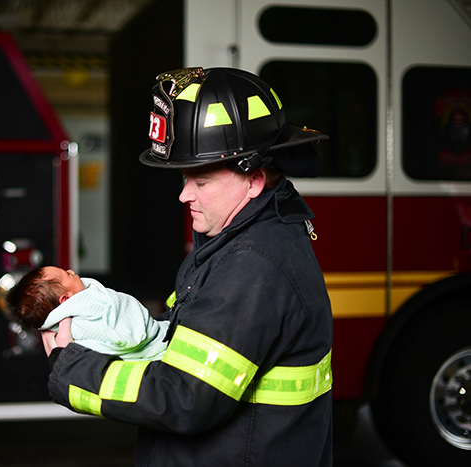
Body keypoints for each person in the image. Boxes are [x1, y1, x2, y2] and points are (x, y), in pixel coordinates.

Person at [41, 67, 334, 467]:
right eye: (183, 178)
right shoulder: (239, 242)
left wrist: (72, 367)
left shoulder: (252, 265)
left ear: (255, 180)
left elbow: (184, 397)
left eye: (202, 180)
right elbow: (192, 342)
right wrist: (116, 332)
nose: (183, 195)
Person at [6, 266, 169, 361]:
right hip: (156, 348)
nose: (71, 270)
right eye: (67, 275)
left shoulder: (62, 334)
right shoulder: (81, 320)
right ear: (65, 300)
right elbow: (129, 335)